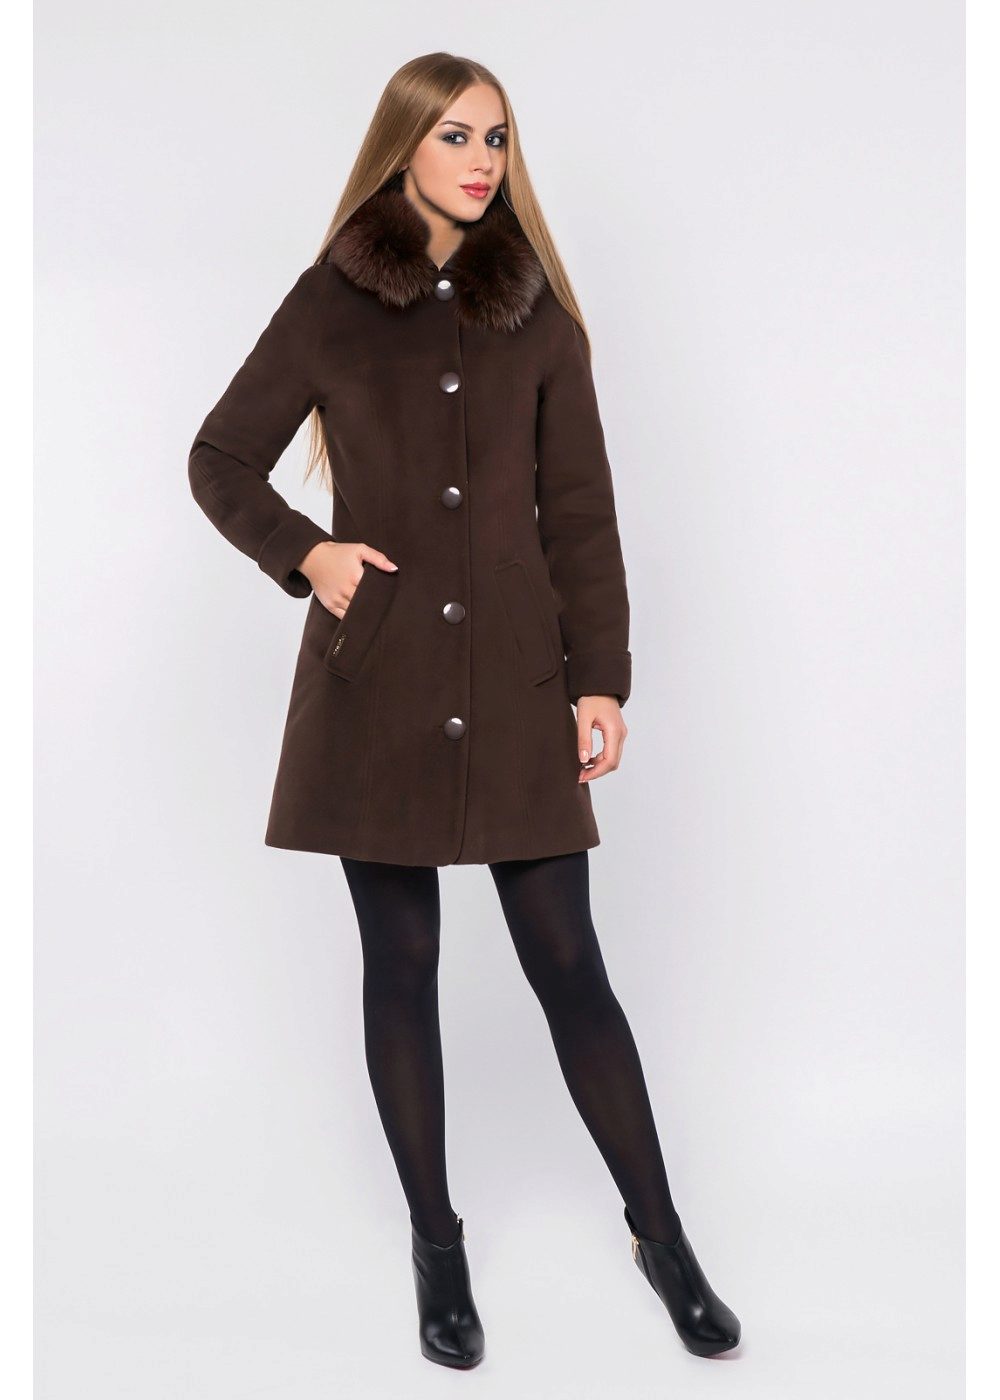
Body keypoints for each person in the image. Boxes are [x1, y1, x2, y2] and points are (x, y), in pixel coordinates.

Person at [187, 51, 741, 1369]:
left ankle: (662, 1236)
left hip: (517, 684)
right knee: (402, 964)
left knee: (570, 965)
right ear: (403, 147)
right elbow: (219, 456)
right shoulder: (330, 301)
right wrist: (308, 555)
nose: (483, 159)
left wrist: (601, 677)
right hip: (376, 687)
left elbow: (582, 513)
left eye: (496, 137)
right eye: (455, 136)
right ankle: (437, 1250)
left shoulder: (535, 315)